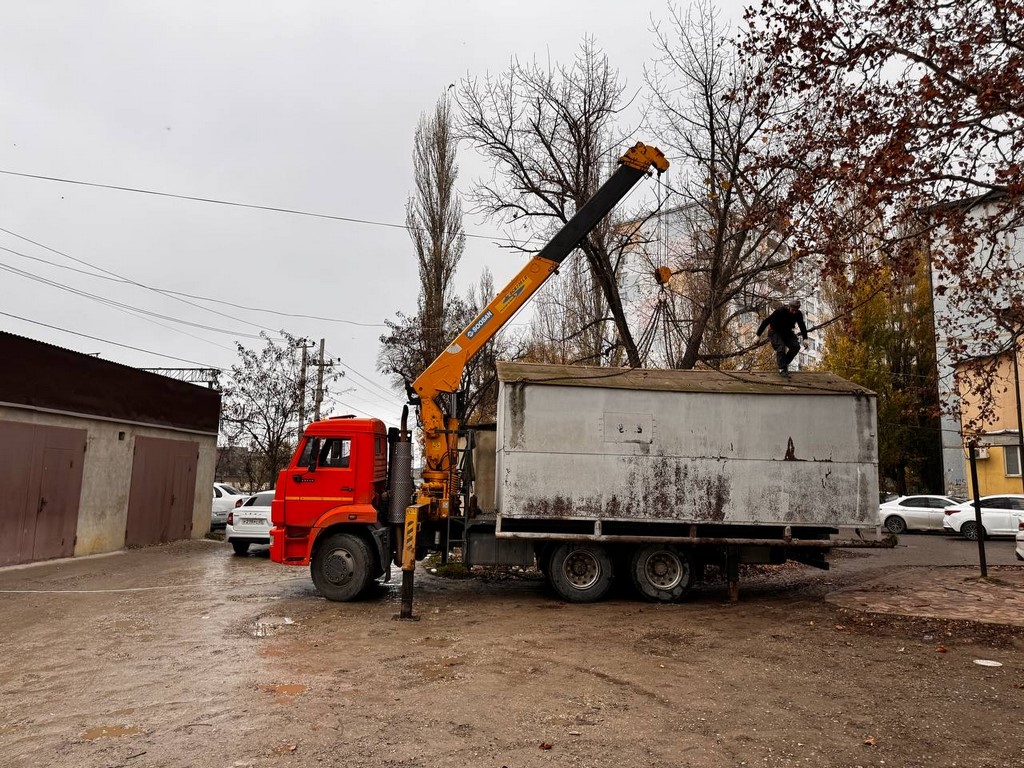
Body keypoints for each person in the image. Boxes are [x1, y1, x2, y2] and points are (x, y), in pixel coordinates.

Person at [756, 300, 808, 377]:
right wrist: (757, 335)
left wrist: (805, 338)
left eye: (796, 310)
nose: (794, 312)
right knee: (781, 347)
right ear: (789, 307)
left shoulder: (798, 314)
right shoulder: (780, 311)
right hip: (774, 331)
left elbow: (802, 326)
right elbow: (766, 321)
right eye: (793, 310)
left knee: (796, 346)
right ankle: (782, 369)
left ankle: (784, 363)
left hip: (787, 332)